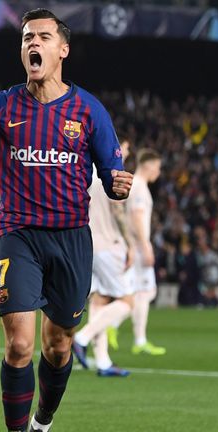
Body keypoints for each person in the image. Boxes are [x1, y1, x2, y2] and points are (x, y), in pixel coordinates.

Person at [0, 9, 133, 431]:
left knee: (58, 346)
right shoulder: (3, 105)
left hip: (72, 239)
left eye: (42, 37)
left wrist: (118, 185)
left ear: (63, 50)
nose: (32, 44)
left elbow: (112, 178)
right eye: (26, 38)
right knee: (19, 345)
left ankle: (43, 420)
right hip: (17, 234)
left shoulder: (89, 111)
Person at [71, 139, 134, 377]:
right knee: (128, 302)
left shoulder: (87, 169)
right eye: (124, 146)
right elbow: (118, 211)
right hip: (108, 245)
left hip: (89, 243)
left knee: (99, 300)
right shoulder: (114, 172)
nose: (125, 151)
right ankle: (81, 337)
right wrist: (131, 245)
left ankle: (104, 362)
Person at [126, 148, 166, 355]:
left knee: (137, 293)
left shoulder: (132, 184)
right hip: (138, 246)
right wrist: (145, 245)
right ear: (148, 166)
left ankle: (136, 337)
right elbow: (137, 217)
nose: (158, 172)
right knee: (144, 292)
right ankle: (133, 336)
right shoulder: (140, 187)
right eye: (157, 167)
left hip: (130, 245)